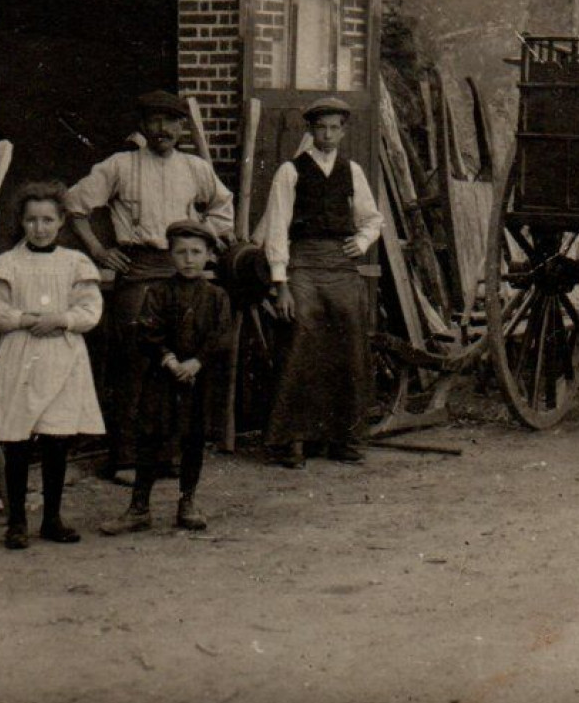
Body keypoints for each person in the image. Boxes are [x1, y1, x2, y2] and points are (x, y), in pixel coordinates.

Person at [65, 90, 235, 478]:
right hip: (138, 272)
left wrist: (197, 240)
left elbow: (224, 208)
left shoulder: (195, 169)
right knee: (135, 363)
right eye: (156, 122)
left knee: (177, 361)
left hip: (179, 274)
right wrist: (99, 250)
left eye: (172, 122)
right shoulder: (120, 165)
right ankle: (125, 458)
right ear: (143, 126)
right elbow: (74, 203)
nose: (164, 130)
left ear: (181, 129)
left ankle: (168, 456)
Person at [0, 182, 106, 549]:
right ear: (22, 222)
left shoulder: (75, 263)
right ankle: (16, 522)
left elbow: (90, 311)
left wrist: (60, 320)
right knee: (16, 442)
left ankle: (52, 519)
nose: (40, 228)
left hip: (62, 355)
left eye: (48, 220)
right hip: (21, 356)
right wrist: (25, 319)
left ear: (61, 222)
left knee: (57, 440)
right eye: (32, 220)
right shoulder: (8, 263)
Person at [258, 96, 384, 468]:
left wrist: (359, 243)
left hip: (340, 266)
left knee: (349, 339)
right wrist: (280, 283)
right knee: (300, 337)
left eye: (334, 128)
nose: (327, 134)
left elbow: (372, 219)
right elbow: (277, 228)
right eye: (321, 128)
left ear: (343, 131)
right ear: (310, 131)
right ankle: (293, 439)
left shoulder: (352, 171)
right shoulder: (290, 171)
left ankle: (342, 437)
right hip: (303, 266)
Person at [99, 221, 234, 535]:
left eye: (196, 252)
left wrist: (197, 363)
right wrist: (170, 360)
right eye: (181, 252)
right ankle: (138, 507)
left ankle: (188, 502)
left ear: (210, 255)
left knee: (193, 439)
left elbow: (221, 336)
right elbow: (148, 331)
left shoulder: (216, 296)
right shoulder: (158, 292)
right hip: (162, 376)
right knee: (150, 437)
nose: (189, 259)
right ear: (170, 255)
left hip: (198, 380)